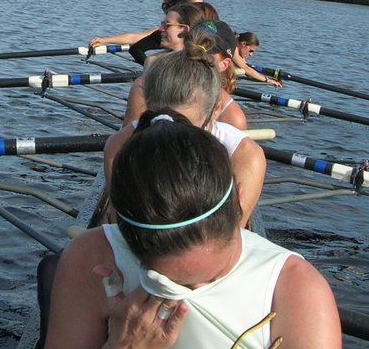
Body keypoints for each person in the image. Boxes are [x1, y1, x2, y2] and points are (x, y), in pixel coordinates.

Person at [45, 112, 342, 349]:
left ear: (241, 202)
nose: (193, 297)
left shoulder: (298, 292)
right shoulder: (93, 257)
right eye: (169, 283)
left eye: (214, 277)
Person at [104, 44, 266, 228]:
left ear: (216, 110)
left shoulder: (245, 155)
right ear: (147, 104)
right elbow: (116, 218)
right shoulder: (118, 144)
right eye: (160, 118)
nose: (171, 128)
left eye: (182, 122)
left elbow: (234, 230)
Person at [88, 0, 202, 64]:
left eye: (202, 5)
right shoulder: (167, 31)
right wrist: (105, 40)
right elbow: (136, 39)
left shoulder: (208, 28)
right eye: (197, 5)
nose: (202, 8)